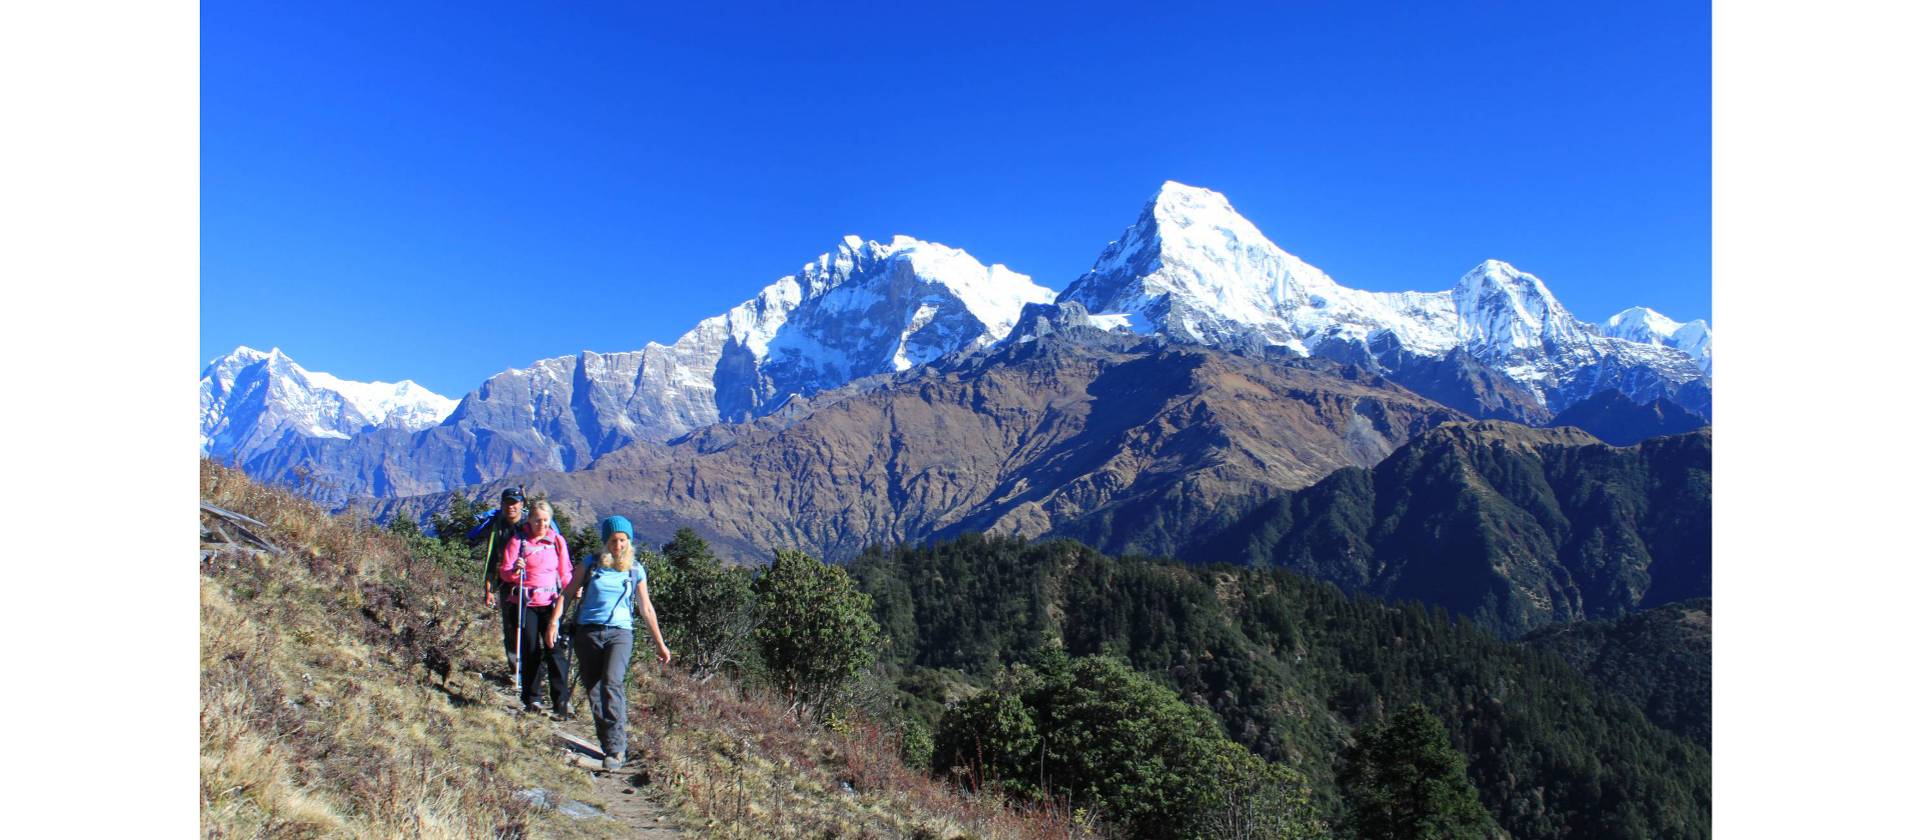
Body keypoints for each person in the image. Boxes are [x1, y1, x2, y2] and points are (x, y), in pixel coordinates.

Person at [562, 515, 671, 771]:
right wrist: (556, 621)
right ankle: (609, 743)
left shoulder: (636, 570)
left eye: (622, 540)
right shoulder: (591, 565)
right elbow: (567, 593)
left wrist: (660, 644)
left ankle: (617, 748)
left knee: (612, 682)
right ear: (606, 541)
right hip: (588, 632)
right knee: (593, 689)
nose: (618, 545)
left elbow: (646, 608)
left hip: (620, 633)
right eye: (613, 540)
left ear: (629, 541)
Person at [500, 499, 575, 715]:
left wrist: (573, 588)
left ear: (550, 521)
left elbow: (565, 572)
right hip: (525, 603)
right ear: (529, 520)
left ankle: (561, 701)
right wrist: (515, 569)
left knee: (555, 650)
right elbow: (505, 572)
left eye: (545, 520)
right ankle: (532, 698)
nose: (541, 524)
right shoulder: (518, 541)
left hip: (551, 603)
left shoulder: (557, 542)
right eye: (537, 520)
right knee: (531, 649)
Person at [467, 487, 527, 678]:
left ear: (521, 505)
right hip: (506, 583)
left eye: (514, 503)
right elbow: (491, 558)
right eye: (507, 503)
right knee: (510, 626)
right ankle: (515, 668)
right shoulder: (498, 526)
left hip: (531, 583)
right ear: (501, 505)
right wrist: (489, 589)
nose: (511, 507)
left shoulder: (529, 525)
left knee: (529, 626)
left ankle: (532, 669)